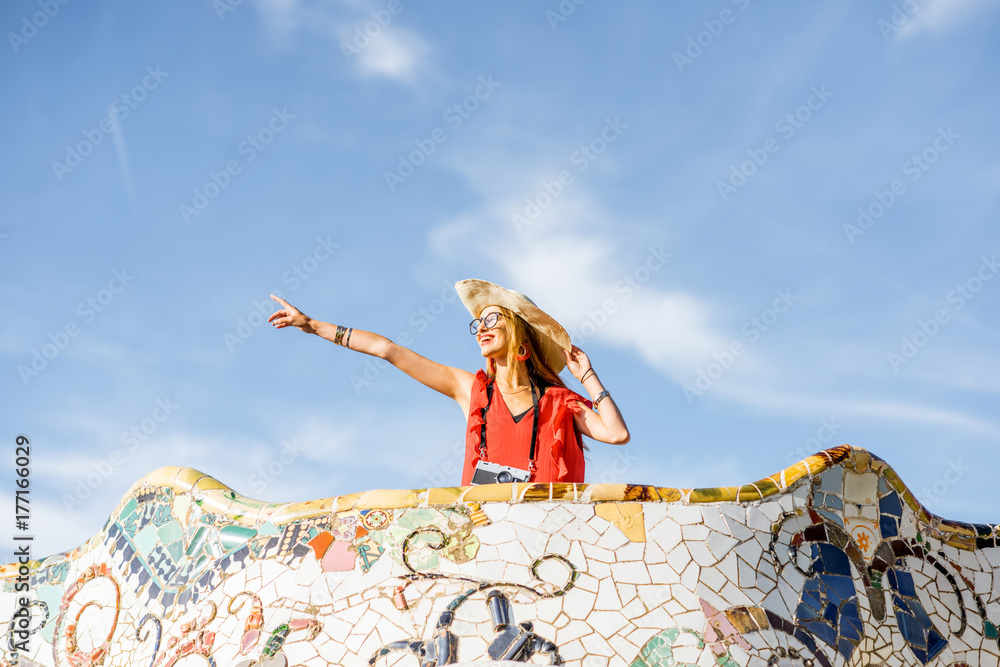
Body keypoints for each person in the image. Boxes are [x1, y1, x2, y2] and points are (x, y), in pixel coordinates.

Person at [267, 279, 629, 485]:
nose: (481, 329)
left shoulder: (558, 400)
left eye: (491, 320)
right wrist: (312, 325)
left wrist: (588, 378)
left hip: (545, 530)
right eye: (477, 324)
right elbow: (387, 350)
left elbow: (615, 433)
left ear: (518, 331)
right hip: (485, 526)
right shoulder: (472, 389)